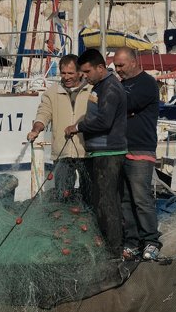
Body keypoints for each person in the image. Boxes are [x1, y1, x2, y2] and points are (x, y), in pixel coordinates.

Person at [65, 49, 128, 257]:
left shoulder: (110, 87)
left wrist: (78, 126)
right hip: (100, 152)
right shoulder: (99, 85)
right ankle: (109, 244)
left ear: (100, 68)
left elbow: (104, 121)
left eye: (87, 71)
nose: (84, 76)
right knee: (102, 199)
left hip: (109, 152)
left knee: (107, 201)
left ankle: (114, 250)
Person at [112, 47, 163, 261]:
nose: (118, 70)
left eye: (121, 65)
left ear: (133, 62)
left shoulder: (147, 83)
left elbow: (126, 104)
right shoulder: (121, 85)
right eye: (115, 66)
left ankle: (151, 241)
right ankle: (132, 242)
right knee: (124, 200)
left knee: (142, 199)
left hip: (141, 149)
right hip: (121, 149)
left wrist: (118, 107)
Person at [26, 54, 92, 199]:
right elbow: (43, 113)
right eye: (63, 73)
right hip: (62, 154)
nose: (66, 77)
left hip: (86, 153)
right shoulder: (52, 92)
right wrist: (36, 129)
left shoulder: (91, 90)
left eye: (70, 73)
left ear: (80, 72)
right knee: (62, 194)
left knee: (90, 194)